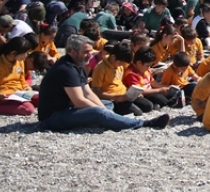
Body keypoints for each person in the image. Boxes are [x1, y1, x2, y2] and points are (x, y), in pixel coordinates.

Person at [37, 35, 170, 131]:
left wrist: (104, 109)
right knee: (98, 112)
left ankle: (106, 119)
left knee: (106, 105)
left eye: (90, 51)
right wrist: (101, 111)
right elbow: (79, 100)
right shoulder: (66, 69)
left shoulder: (77, 65)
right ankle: (144, 123)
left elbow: (88, 93)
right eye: (86, 52)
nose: (90, 55)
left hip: (69, 108)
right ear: (72, 52)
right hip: (52, 117)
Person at [0, 34, 39, 118]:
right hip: (4, 95)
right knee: (28, 109)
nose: (26, 56)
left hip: (20, 93)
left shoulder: (20, 62)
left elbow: (22, 80)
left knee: (42, 99)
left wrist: (27, 88)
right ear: (13, 53)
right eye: (24, 53)